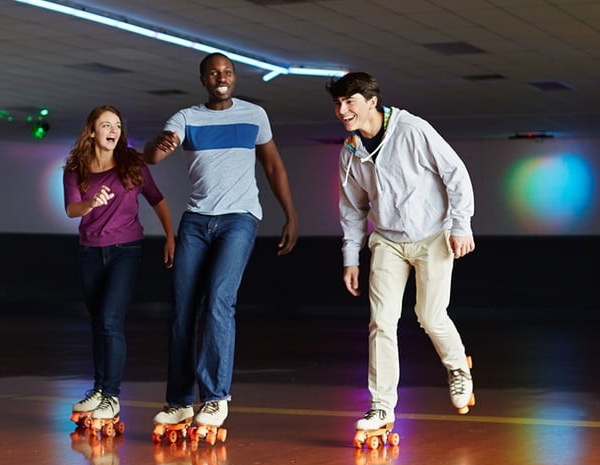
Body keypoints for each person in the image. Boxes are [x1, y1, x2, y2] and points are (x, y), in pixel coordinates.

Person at [144, 52, 298, 429]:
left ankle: (214, 398)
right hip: (196, 221)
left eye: (227, 71)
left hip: (239, 219)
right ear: (203, 79)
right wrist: (158, 147)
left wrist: (291, 214)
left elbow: (273, 166)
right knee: (182, 309)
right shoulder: (186, 118)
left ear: (234, 77)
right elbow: (153, 156)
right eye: (214, 73)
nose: (221, 77)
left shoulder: (254, 116)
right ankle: (180, 401)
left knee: (218, 301)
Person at [325, 72, 476, 433]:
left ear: (372, 101)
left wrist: (461, 225)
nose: (343, 110)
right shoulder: (350, 152)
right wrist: (350, 256)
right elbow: (352, 208)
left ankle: (458, 368)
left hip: (432, 236)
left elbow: (455, 173)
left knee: (431, 315)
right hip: (388, 241)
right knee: (382, 321)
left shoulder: (412, 129)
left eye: (350, 102)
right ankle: (380, 406)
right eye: (338, 103)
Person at [64, 105, 175, 421]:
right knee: (98, 321)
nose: (112, 130)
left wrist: (170, 237)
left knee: (111, 319)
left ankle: (111, 396)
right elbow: (72, 209)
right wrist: (91, 203)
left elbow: (157, 199)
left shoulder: (133, 163)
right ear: (92, 132)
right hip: (90, 252)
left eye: (116, 125)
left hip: (126, 250)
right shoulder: (76, 168)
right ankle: (99, 389)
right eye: (105, 125)